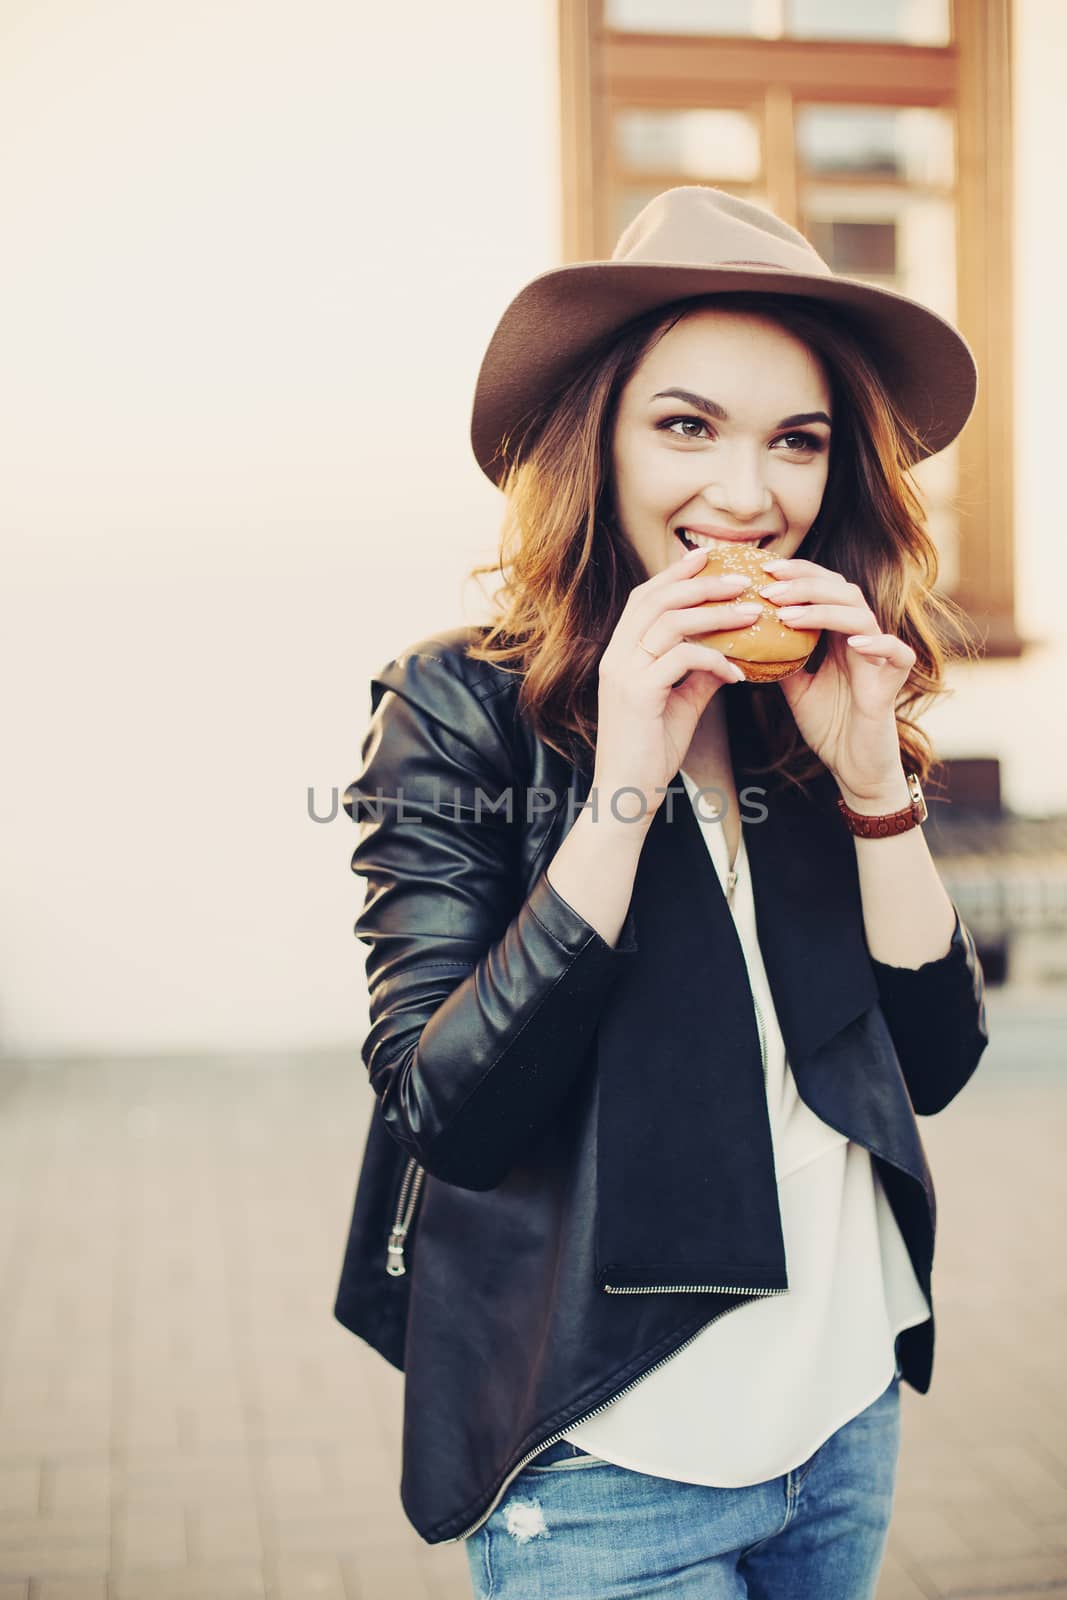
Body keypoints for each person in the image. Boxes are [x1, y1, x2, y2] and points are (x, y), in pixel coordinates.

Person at [333, 187, 989, 1598]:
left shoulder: (804, 692)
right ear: (597, 440)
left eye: (797, 441)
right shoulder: (460, 706)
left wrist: (873, 781)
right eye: (687, 426)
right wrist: (623, 783)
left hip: (842, 1407)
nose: (748, 496)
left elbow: (935, 1063)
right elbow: (449, 1104)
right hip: (607, 1455)